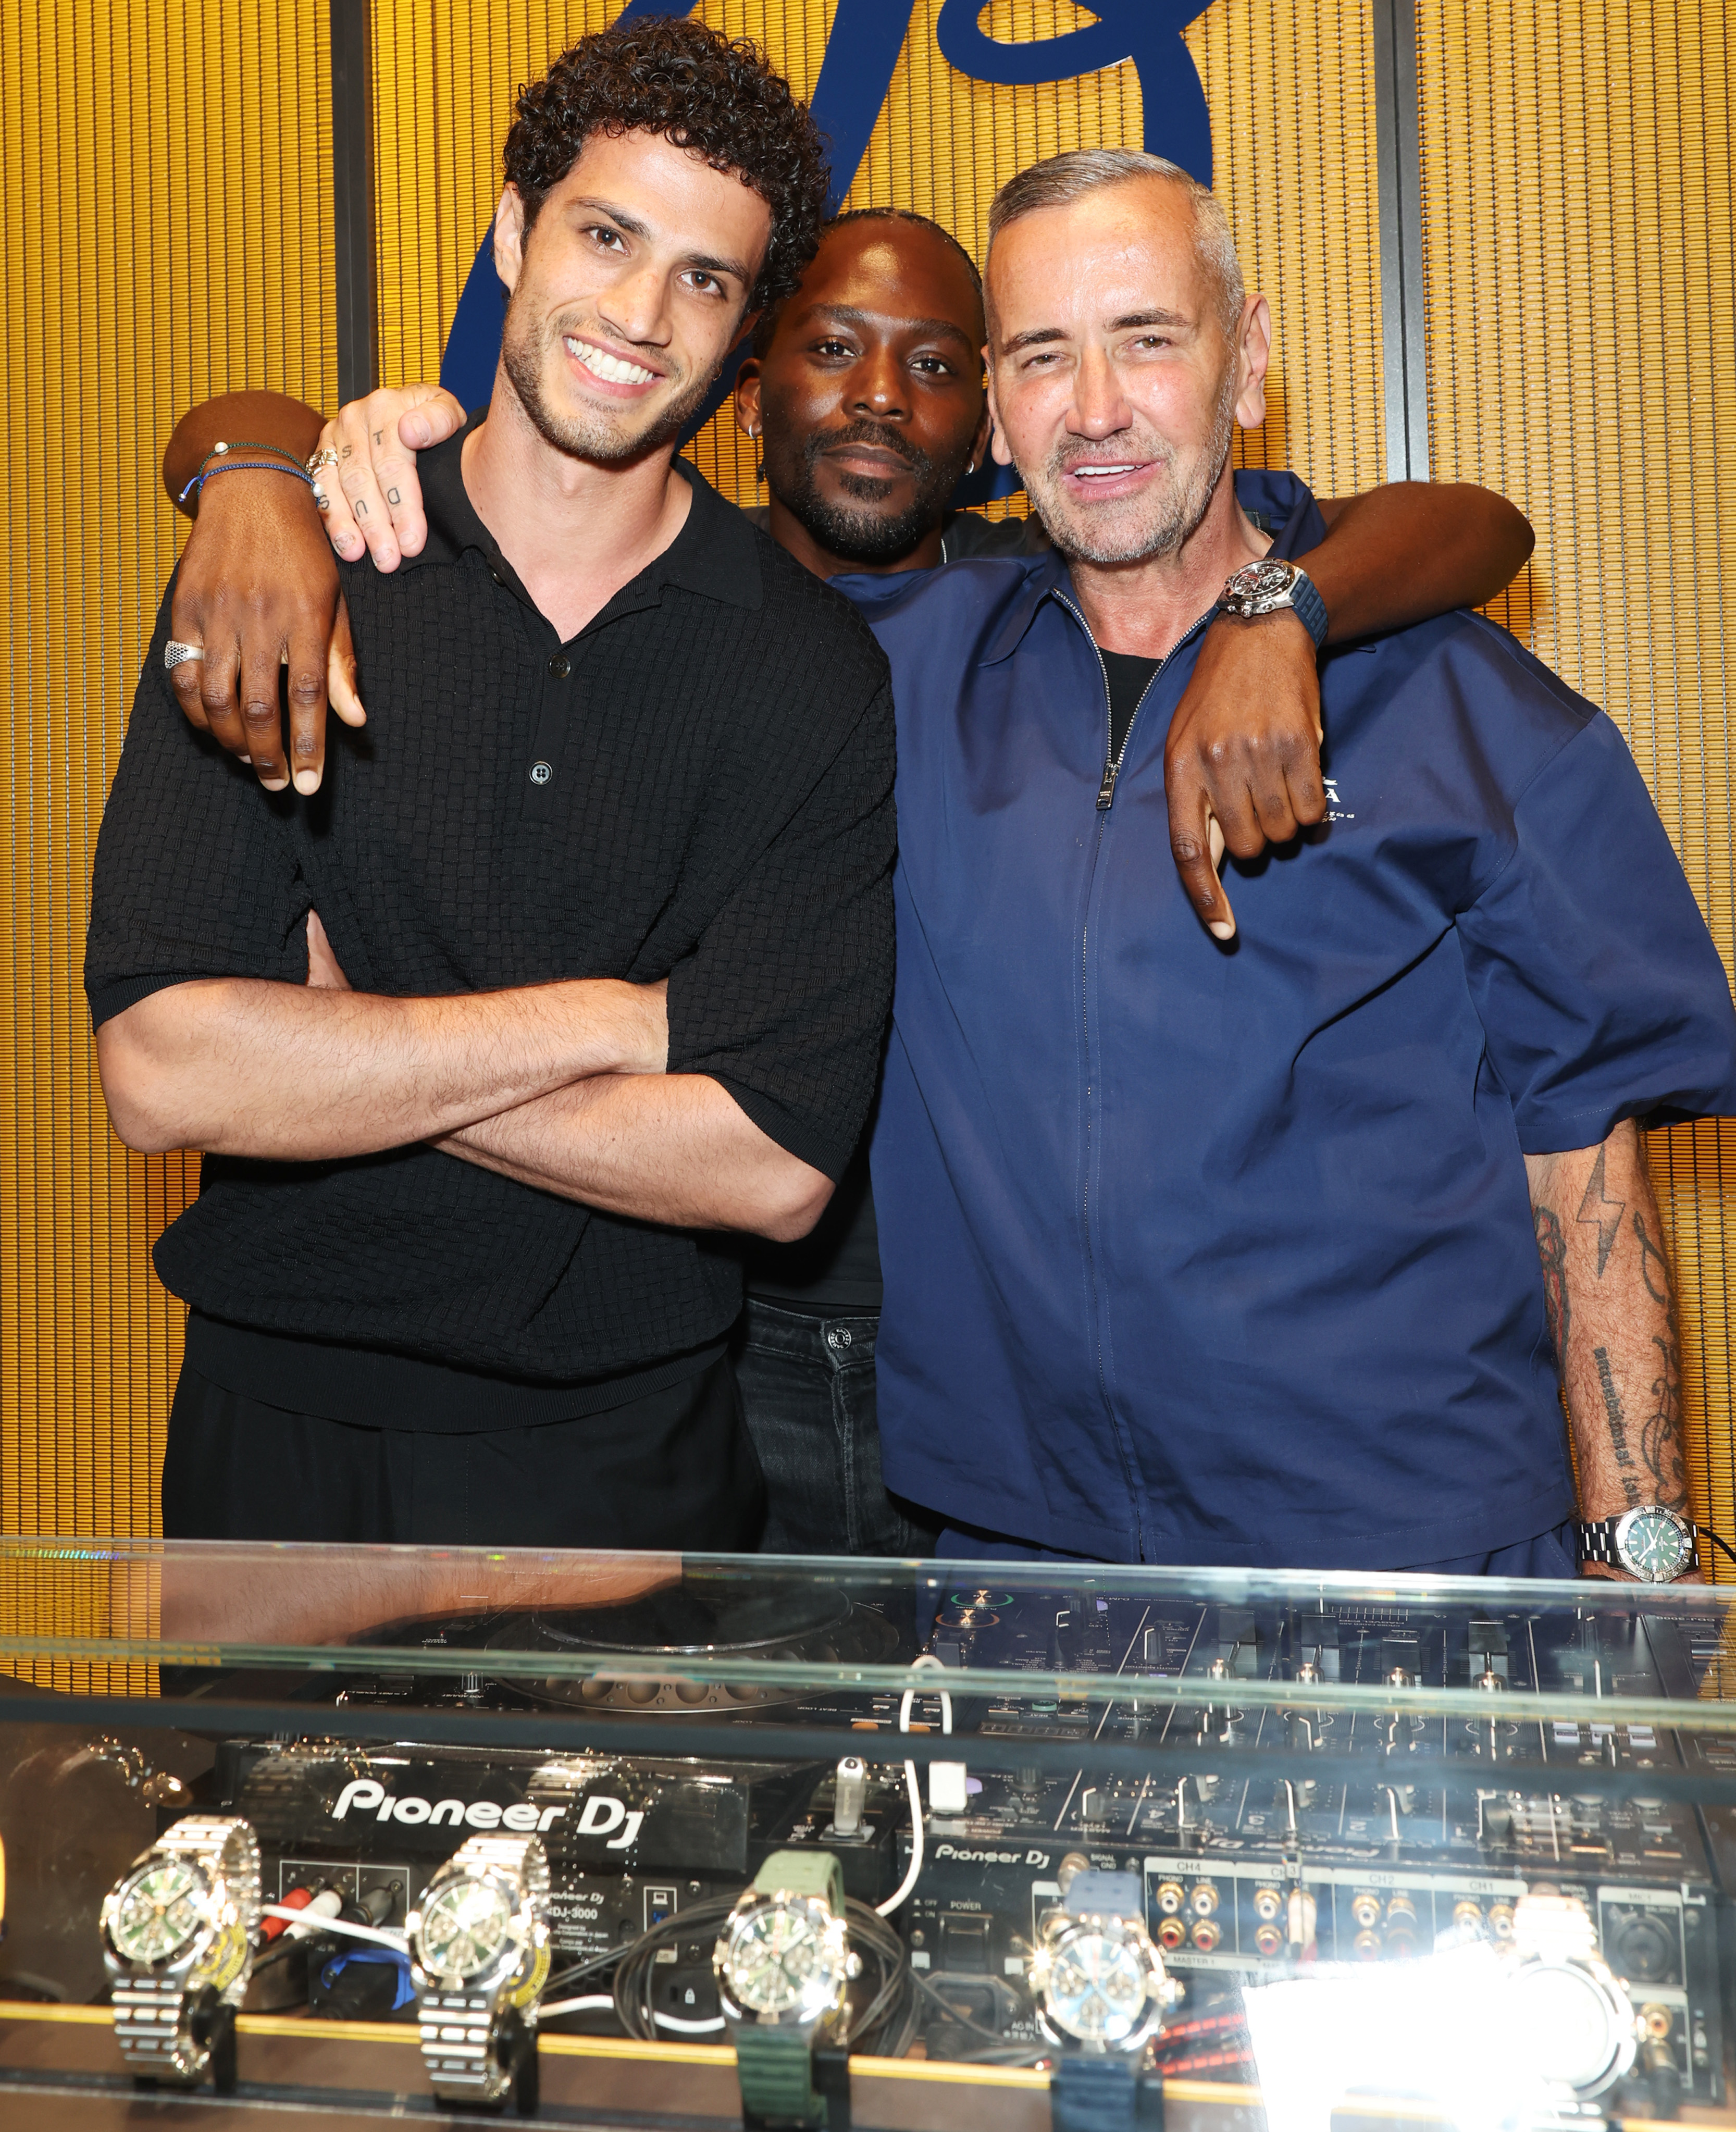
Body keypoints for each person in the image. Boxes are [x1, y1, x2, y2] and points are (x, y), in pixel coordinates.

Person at [158, 197, 1539, 1561]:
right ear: (745, 391)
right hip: (713, 1331)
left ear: (991, 418)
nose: (881, 399)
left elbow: (1472, 520)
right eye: (830, 348)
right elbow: (283, 435)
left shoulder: (1045, 607)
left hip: (989, 1359)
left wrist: (1273, 609)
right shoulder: (672, 598)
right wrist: (257, 474)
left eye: (937, 363)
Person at [841, 148, 1736, 1573]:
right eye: (1038, 357)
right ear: (995, 414)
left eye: (1146, 341)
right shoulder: (891, 678)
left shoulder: (1457, 701)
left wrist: (1639, 1561)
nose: (1094, 412)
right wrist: (349, 471)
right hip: (1027, 1566)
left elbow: (1585, 1162)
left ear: (1244, 359)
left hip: (1410, 1559)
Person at [85, 15, 898, 1553]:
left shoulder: (806, 670)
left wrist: (338, 1047)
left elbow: (776, 1166)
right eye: (605, 235)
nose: (642, 314)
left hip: (634, 1456)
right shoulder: (290, 573)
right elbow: (164, 1073)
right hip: (277, 1452)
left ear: (740, 334)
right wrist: (623, 1022)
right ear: (515, 233)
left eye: (705, 279)